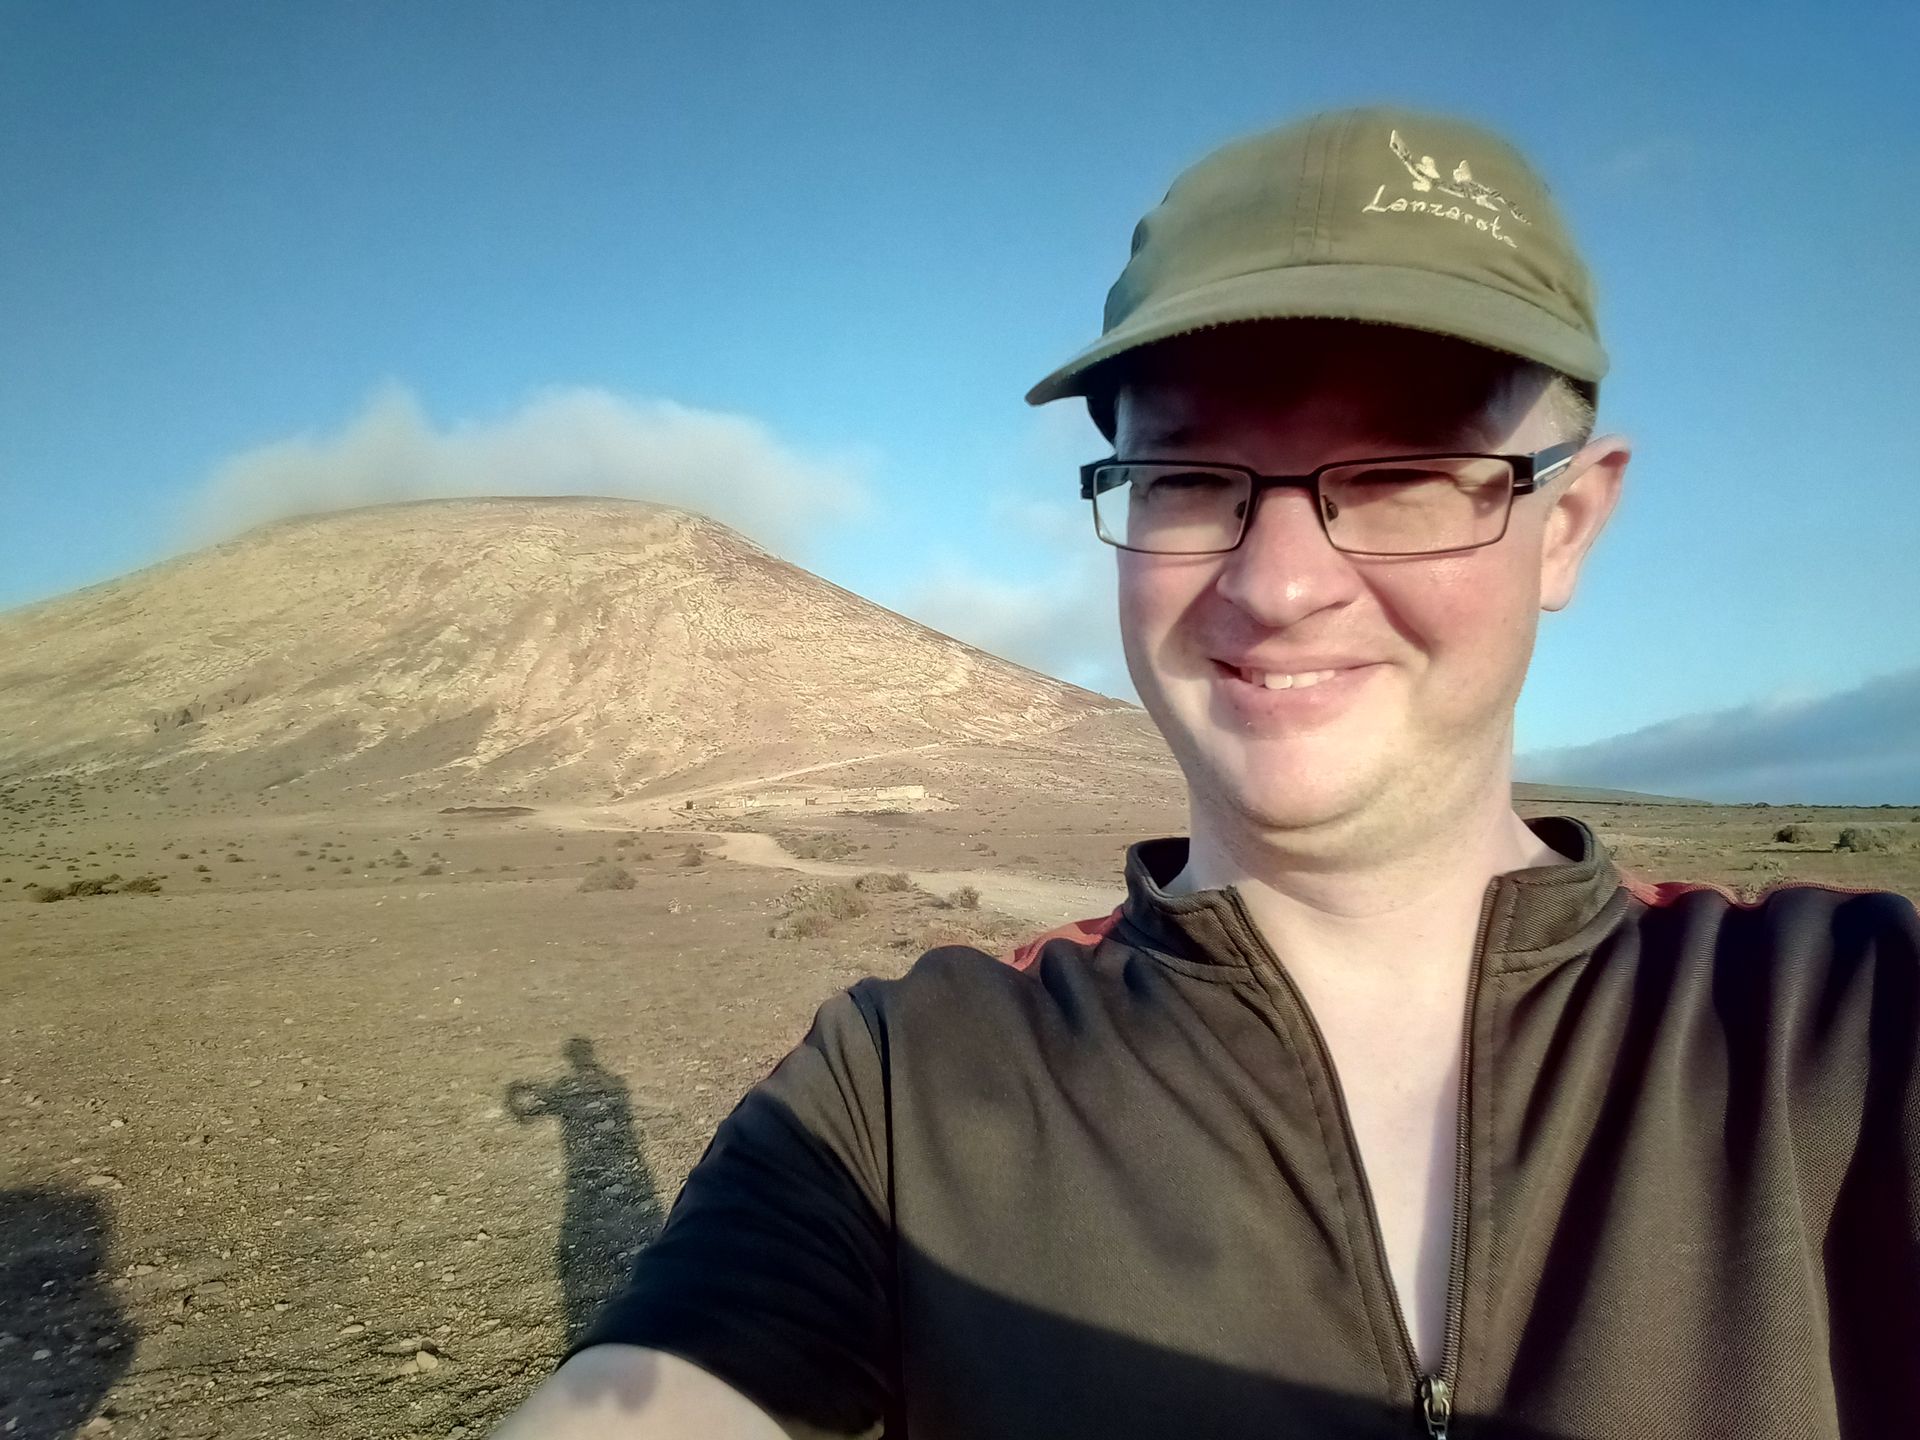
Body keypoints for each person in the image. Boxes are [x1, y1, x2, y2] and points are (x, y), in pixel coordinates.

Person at [492, 106, 1920, 1439]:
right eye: (1186, 477)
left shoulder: (1849, 1027)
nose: (1281, 581)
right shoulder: (905, 1096)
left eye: (1404, 470)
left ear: (1567, 526)